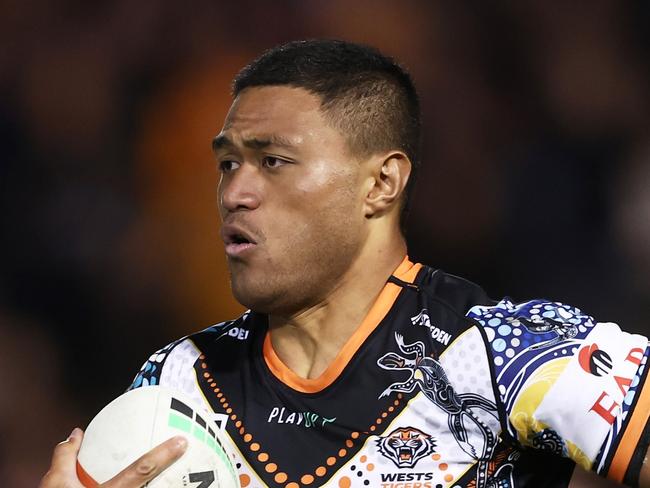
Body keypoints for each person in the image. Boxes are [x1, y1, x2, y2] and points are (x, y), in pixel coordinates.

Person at [41, 39, 650, 488]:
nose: (235, 192)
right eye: (228, 163)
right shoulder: (178, 381)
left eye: (274, 161)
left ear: (381, 184)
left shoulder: (506, 353)